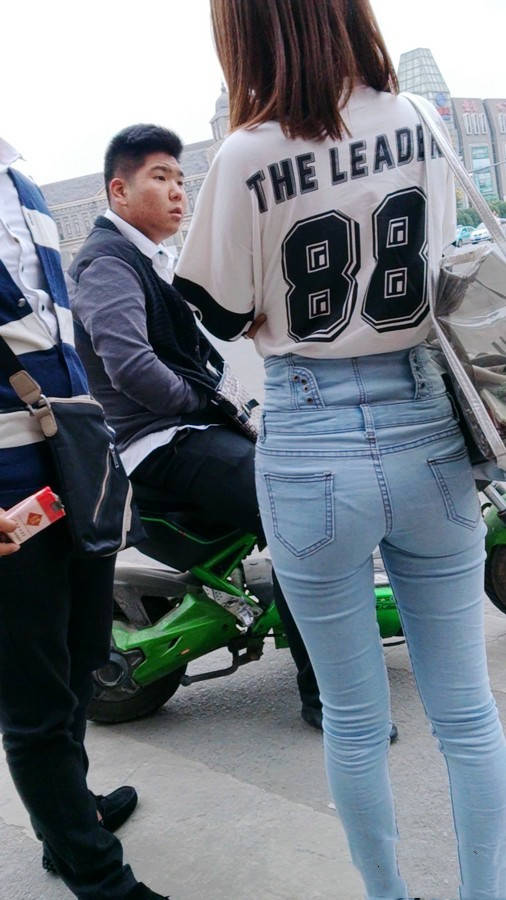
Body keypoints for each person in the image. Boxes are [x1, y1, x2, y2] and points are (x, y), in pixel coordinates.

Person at [172, 2, 506, 898]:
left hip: (310, 434)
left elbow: (218, 309)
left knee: (355, 722)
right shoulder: (418, 116)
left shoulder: (245, 153)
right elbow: (441, 259)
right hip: (426, 424)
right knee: (467, 713)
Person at [67, 122, 362, 737]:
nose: (178, 191)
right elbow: (129, 366)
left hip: (190, 434)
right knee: (299, 513)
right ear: (119, 190)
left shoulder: (153, 260)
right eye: (160, 177)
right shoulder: (106, 263)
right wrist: (199, 402)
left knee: (312, 472)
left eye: (181, 178)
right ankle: (327, 697)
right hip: (163, 446)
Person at [0, 136, 168, 900]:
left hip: (71, 460)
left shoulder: (23, 184)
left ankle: (67, 819)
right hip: (9, 485)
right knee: (34, 696)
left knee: (76, 660)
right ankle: (99, 878)